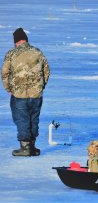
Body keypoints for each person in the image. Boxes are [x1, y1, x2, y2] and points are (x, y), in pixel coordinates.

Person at [1, 28, 50, 156]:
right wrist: (41, 86)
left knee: (22, 119)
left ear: (16, 41)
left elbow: (5, 73)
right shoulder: (38, 52)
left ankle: (25, 148)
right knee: (34, 118)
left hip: (19, 94)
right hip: (36, 94)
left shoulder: (11, 54)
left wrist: (8, 88)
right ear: (26, 40)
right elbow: (46, 71)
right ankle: (32, 147)